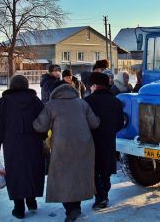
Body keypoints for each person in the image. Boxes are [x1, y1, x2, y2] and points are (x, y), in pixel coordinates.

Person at [33, 84, 100, 222]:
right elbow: (95, 124)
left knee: (64, 177)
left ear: (56, 93)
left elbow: (40, 126)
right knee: (78, 175)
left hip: (62, 147)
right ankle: (76, 207)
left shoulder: (52, 105)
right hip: (84, 144)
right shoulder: (82, 103)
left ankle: (71, 209)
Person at [0, 75, 45, 219]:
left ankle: (18, 207)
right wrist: (43, 137)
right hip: (33, 142)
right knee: (32, 170)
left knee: (15, 173)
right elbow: (43, 122)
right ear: (26, 85)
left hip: (12, 144)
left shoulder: (3, 103)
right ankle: (31, 201)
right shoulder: (35, 101)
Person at [84, 73, 124, 209]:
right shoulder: (116, 101)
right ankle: (104, 195)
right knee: (105, 171)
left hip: (92, 141)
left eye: (91, 85)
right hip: (108, 141)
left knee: (94, 170)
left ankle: (100, 196)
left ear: (94, 85)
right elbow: (120, 123)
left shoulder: (87, 101)